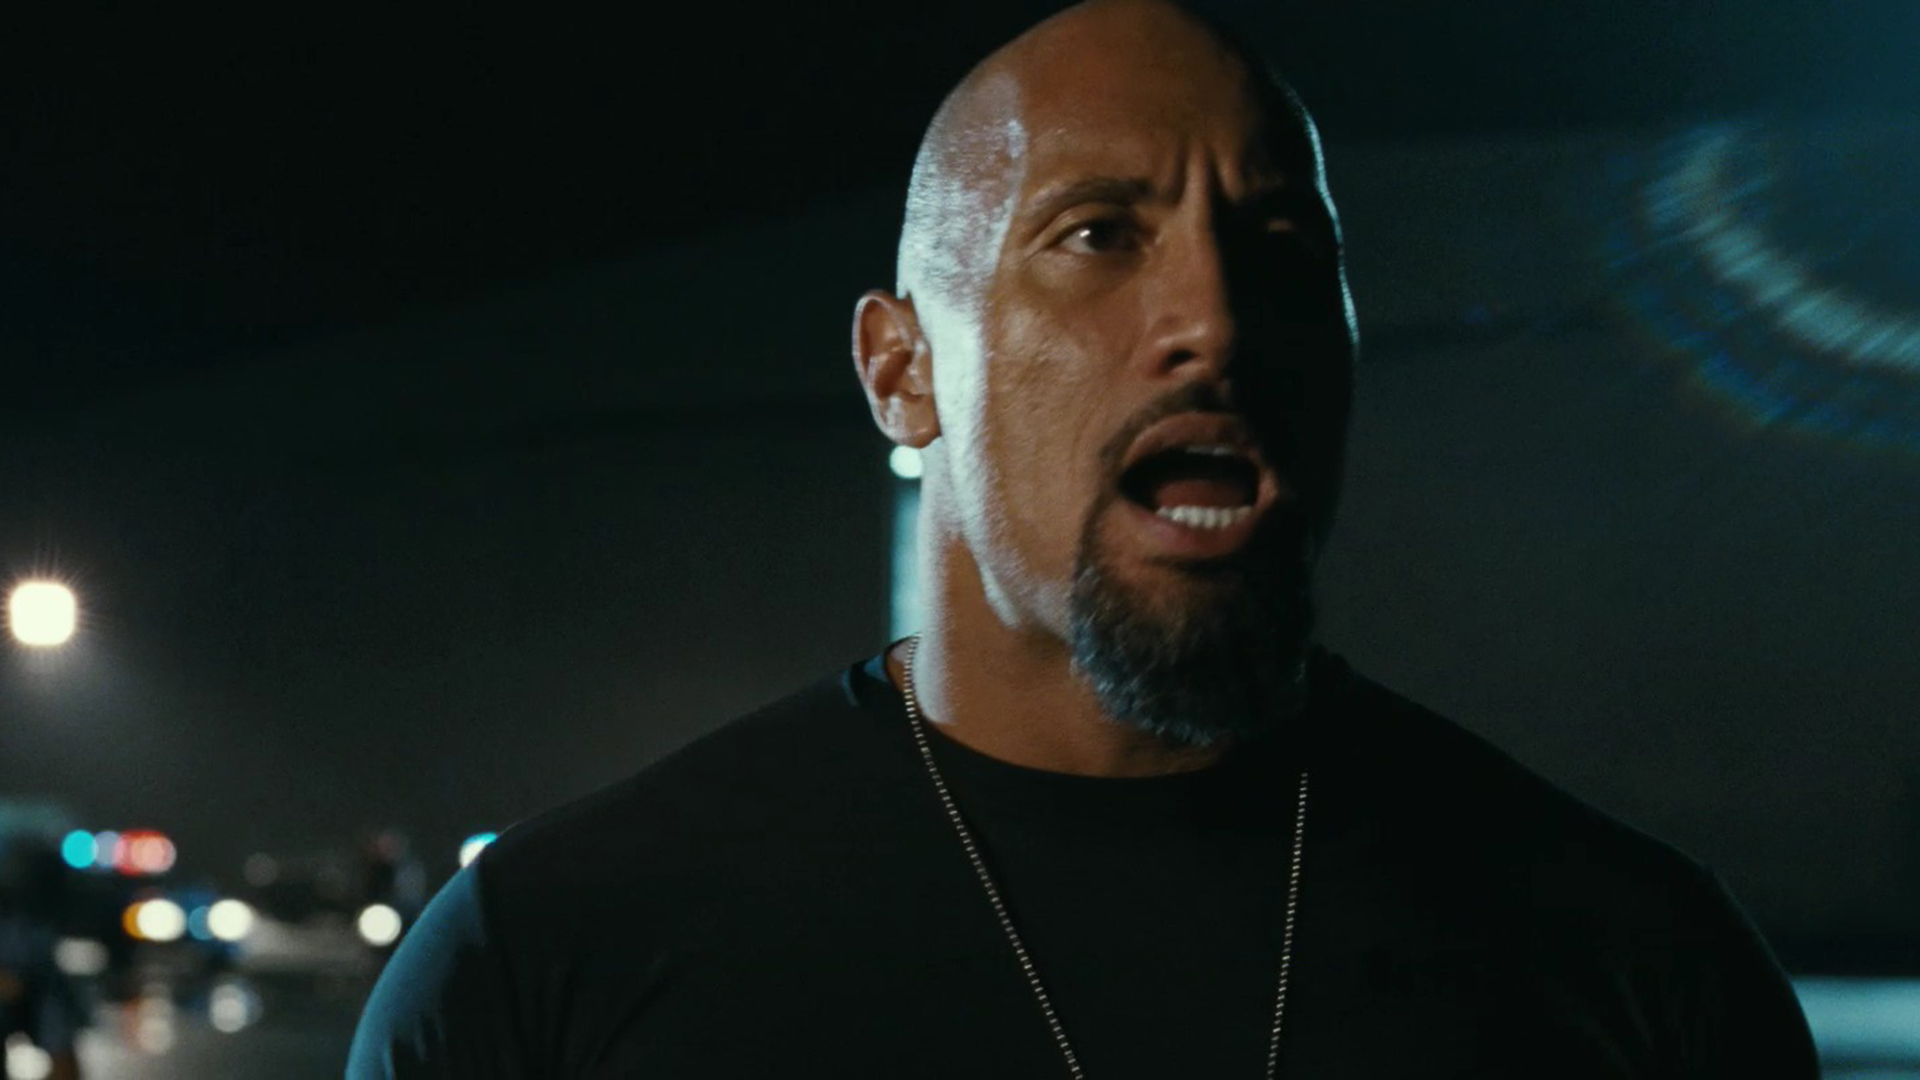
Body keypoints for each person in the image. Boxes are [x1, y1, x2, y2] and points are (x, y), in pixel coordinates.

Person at [349, 1, 1820, 1075]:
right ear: (902, 371)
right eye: (1101, 235)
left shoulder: (1640, 965)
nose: (1216, 323)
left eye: (1281, 248)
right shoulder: (542, 968)